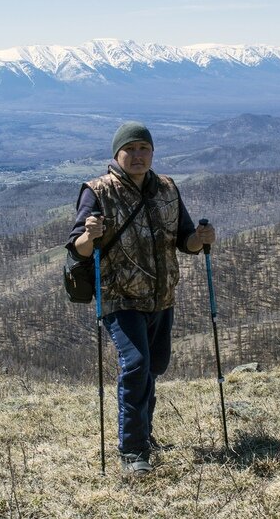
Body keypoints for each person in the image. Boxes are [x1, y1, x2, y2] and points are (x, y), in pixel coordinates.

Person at [66, 121, 216, 475]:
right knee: (136, 365)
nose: (137, 156)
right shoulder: (98, 191)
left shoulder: (166, 188)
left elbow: (185, 241)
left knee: (155, 365)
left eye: (143, 149)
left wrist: (202, 238)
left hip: (161, 297)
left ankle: (143, 434)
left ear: (152, 152)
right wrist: (91, 234)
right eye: (130, 149)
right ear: (116, 154)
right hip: (119, 297)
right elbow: (79, 248)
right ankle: (133, 451)